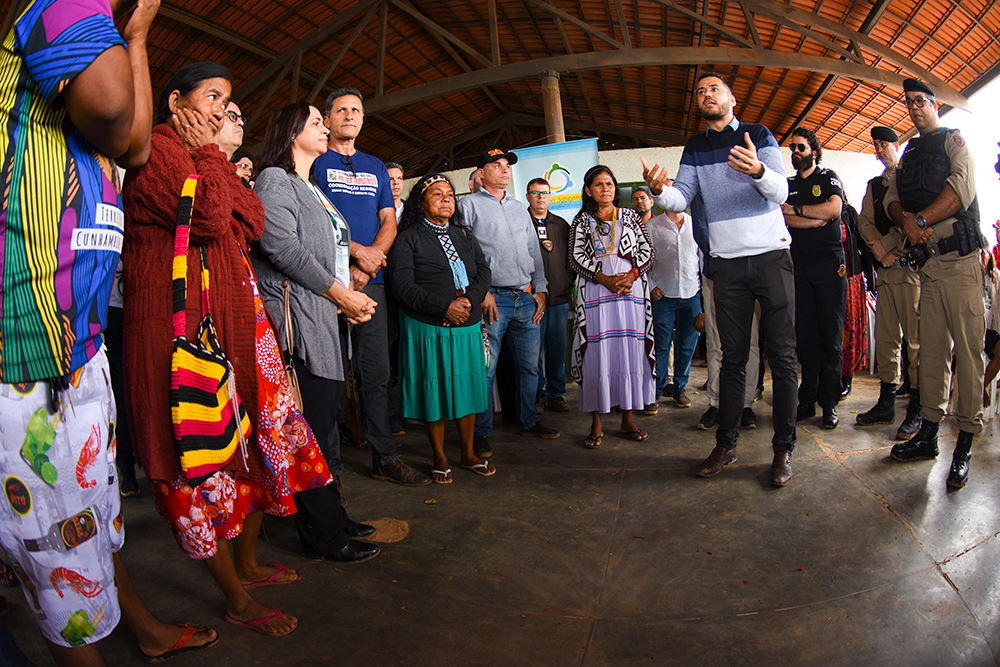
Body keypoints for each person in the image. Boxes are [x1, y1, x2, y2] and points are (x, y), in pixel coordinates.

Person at [0, 0, 220, 662]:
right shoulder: (59, 3)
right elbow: (126, 125)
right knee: (54, 542)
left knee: (90, 518)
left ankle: (140, 627)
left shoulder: (97, 26)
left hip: (74, 345)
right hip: (27, 353)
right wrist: (135, 33)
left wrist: (136, 37)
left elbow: (138, 144)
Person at [122, 62, 326, 638]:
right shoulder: (161, 151)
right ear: (174, 101)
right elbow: (213, 218)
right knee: (198, 454)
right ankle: (235, 597)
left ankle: (247, 564)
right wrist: (211, 159)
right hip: (176, 336)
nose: (218, 111)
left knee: (248, 448)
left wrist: (214, 170)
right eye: (211, 98)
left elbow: (254, 219)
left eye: (228, 102)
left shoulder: (197, 155)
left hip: (224, 330)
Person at [641, 71, 798, 486]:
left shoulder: (757, 133)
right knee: (731, 359)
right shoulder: (695, 146)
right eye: (699, 91)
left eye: (714, 88)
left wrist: (760, 170)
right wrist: (659, 190)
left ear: (731, 97)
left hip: (770, 256)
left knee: (782, 357)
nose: (706, 94)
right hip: (726, 263)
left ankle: (783, 451)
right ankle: (726, 445)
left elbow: (781, 191)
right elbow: (682, 196)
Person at [253, 102, 382, 560]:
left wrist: (344, 299)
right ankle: (323, 535)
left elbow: (330, 254)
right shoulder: (274, 180)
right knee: (305, 430)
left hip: (322, 318)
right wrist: (340, 295)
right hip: (299, 326)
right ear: (291, 133)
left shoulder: (310, 187)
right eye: (316, 123)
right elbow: (281, 247)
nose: (326, 128)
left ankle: (332, 519)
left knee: (322, 429)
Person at [314, 87, 430, 490]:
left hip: (371, 283)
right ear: (326, 119)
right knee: (326, 375)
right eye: (341, 110)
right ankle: (328, 468)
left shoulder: (375, 165)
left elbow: (389, 221)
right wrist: (354, 257)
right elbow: (315, 219)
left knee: (375, 372)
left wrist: (370, 262)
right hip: (326, 283)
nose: (349, 115)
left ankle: (385, 456)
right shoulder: (315, 160)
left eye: (356, 110)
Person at [885, 78, 986, 490]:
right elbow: (892, 196)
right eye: (908, 103)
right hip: (927, 269)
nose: (914, 108)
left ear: (935, 104)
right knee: (930, 357)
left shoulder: (953, 141)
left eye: (921, 101)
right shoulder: (908, 155)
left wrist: (921, 220)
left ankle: (964, 441)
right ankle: (928, 433)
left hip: (961, 265)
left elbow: (961, 188)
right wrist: (906, 219)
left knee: (968, 353)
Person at [387, 174, 495, 483]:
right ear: (421, 204)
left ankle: (468, 452)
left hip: (466, 323)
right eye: (437, 194)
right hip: (425, 327)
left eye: (450, 193)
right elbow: (402, 286)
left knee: (467, 389)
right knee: (432, 390)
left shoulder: (463, 233)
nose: (447, 198)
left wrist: (468, 303)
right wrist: (443, 307)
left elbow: (483, 272)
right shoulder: (407, 237)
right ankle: (439, 455)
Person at [459, 148, 560, 458]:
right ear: (480, 172)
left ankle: (528, 420)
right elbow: (462, 254)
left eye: (507, 166)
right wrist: (480, 292)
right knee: (486, 370)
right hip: (493, 301)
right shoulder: (468, 205)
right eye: (496, 165)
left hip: (526, 297)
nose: (504, 170)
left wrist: (540, 289)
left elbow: (533, 250)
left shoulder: (519, 208)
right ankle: (481, 433)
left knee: (530, 367)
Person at [569, 166, 656, 448]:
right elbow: (574, 258)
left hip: (630, 295)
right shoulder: (581, 221)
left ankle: (628, 417)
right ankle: (596, 422)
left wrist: (631, 275)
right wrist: (602, 277)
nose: (605, 188)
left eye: (609, 183)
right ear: (588, 190)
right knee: (597, 353)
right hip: (597, 295)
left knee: (628, 353)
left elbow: (647, 252)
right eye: (598, 184)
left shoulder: (630, 216)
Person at [856, 126, 922, 439]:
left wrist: (889, 246)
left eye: (884, 144)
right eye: (876, 146)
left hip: (910, 271)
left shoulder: (911, 180)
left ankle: (918, 408)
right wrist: (877, 247)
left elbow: (913, 219)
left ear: (897, 145)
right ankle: (885, 402)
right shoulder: (874, 186)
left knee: (916, 342)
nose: (879, 150)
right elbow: (863, 220)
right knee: (886, 341)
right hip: (886, 271)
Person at [781, 127, 846, 430]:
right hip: (800, 268)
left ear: (814, 152)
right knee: (805, 337)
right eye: (793, 148)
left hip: (829, 267)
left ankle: (829, 403)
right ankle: (806, 400)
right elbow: (782, 218)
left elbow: (833, 209)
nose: (796, 152)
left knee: (829, 337)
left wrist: (798, 211)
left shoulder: (828, 176)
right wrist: (814, 218)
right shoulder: (788, 184)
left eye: (802, 148)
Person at [645, 179, 702, 412]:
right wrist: (651, 285)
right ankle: (656, 391)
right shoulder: (652, 226)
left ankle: (680, 387)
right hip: (663, 295)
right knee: (661, 344)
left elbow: (702, 260)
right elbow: (644, 261)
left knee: (687, 345)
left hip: (692, 293)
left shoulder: (696, 224)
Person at [527, 177, 574, 414]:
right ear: (528, 197)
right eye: (535, 193)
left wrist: (566, 281)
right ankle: (538, 395)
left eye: (544, 193)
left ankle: (557, 394)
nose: (540, 197)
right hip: (531, 300)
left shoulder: (561, 224)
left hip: (558, 299)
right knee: (533, 351)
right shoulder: (520, 222)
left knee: (557, 348)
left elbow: (571, 258)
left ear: (550, 196)